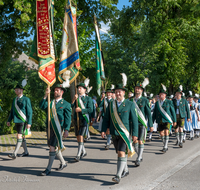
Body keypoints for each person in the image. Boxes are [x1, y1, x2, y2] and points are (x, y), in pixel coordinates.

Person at [101, 73, 138, 184]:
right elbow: (106, 118)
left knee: (121, 153)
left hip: (124, 133)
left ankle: (118, 175)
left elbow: (134, 120)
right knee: (119, 152)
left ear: (124, 93)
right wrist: (104, 129)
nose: (118, 93)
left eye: (120, 91)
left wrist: (135, 133)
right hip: (114, 133)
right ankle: (125, 170)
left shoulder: (130, 104)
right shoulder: (111, 104)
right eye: (116, 91)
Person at [39, 84, 71, 176]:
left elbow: (68, 118)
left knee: (52, 147)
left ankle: (48, 169)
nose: (55, 92)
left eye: (57, 90)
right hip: (49, 127)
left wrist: (67, 129)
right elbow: (41, 106)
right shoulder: (50, 102)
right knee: (53, 146)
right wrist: (45, 95)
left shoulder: (66, 104)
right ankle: (63, 163)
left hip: (58, 128)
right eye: (55, 90)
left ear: (62, 92)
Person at [130, 78, 153, 166]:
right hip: (132, 123)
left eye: (139, 88)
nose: (137, 90)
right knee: (134, 141)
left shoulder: (145, 100)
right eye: (136, 88)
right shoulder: (131, 100)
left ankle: (139, 158)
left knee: (140, 141)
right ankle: (139, 155)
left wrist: (150, 125)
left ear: (142, 90)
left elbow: (149, 113)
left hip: (141, 123)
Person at [7, 80, 32, 159]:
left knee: (19, 136)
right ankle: (26, 152)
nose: (15, 91)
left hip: (23, 121)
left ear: (21, 90)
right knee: (22, 137)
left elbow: (30, 112)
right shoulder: (14, 99)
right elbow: (12, 111)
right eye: (15, 90)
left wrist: (29, 122)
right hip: (16, 120)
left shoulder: (26, 99)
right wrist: (9, 120)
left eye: (17, 90)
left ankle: (14, 154)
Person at [71, 80, 93, 162]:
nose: (79, 89)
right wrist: (73, 99)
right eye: (78, 88)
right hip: (76, 119)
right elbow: (71, 105)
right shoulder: (76, 98)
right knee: (77, 137)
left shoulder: (88, 99)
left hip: (84, 119)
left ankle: (78, 154)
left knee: (80, 136)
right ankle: (83, 151)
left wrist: (81, 110)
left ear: (85, 90)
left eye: (80, 88)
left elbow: (90, 109)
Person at [152, 84, 176, 153]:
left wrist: (174, 121)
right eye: (160, 94)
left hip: (167, 120)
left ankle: (165, 146)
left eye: (162, 94)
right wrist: (152, 122)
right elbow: (154, 113)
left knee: (166, 132)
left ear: (165, 95)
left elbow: (173, 112)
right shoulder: (157, 103)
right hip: (160, 120)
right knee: (161, 133)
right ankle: (165, 144)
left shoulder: (169, 102)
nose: (161, 95)